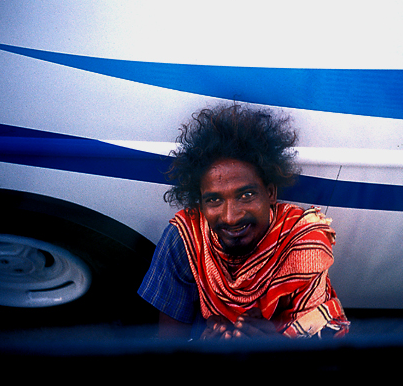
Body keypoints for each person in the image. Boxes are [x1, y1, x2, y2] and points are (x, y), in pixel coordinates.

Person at [138, 104, 349, 340]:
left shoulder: (303, 243)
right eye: (214, 200)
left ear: (270, 193)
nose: (231, 217)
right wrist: (201, 349)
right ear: (201, 203)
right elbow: (168, 347)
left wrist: (276, 346)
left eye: (246, 195)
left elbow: (318, 346)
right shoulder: (186, 238)